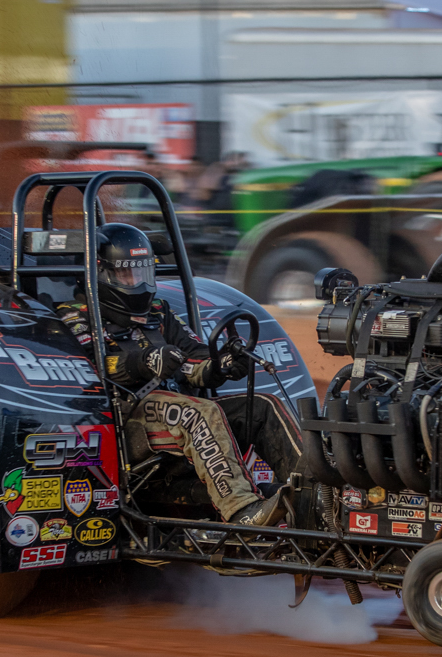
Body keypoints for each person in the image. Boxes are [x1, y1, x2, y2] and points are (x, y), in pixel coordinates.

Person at [55, 222, 298, 526]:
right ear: (100, 273)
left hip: (178, 406)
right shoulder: (75, 314)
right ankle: (241, 511)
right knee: (200, 413)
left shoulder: (158, 312)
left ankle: (312, 490)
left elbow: (194, 358)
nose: (136, 282)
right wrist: (144, 362)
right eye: (126, 274)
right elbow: (93, 368)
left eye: (141, 273)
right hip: (123, 416)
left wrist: (221, 366)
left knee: (264, 404)